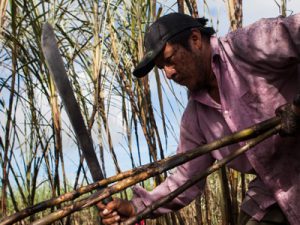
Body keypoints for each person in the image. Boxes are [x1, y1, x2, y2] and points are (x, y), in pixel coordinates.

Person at [97, 12, 300, 225]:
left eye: (169, 60)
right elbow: (185, 179)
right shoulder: (197, 118)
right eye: (161, 68)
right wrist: (135, 208)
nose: (168, 74)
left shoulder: (248, 46)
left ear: (195, 39)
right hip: (275, 188)